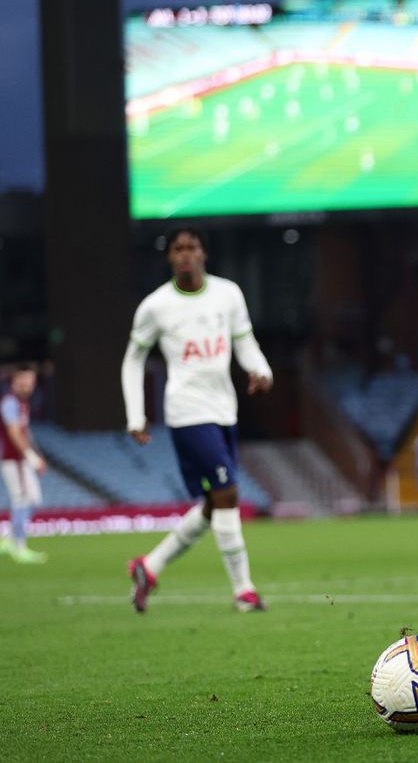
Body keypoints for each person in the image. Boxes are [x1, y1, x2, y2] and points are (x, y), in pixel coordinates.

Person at [122, 227, 274, 612]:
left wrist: (262, 370)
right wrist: (136, 414)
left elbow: (245, 341)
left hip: (224, 408)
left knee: (214, 503)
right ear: (169, 256)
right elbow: (133, 359)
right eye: (178, 248)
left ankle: (149, 566)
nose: (186, 254)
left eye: (192, 247)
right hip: (187, 411)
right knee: (228, 493)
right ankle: (244, 591)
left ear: (204, 252)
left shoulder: (228, 294)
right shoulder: (156, 306)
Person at [1, 367, 48, 564]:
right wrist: (31, 457)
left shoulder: (22, 404)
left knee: (33, 499)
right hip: (13, 460)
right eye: (24, 382)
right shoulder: (10, 402)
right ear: (15, 381)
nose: (28, 386)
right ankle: (18, 546)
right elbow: (13, 433)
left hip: (20, 460)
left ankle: (9, 541)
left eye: (30, 382)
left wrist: (37, 454)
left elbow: (25, 433)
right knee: (22, 500)